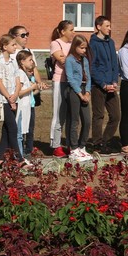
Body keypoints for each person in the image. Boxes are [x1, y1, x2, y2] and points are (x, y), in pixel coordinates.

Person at [88, 16, 122, 153]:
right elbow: (92, 67)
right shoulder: (93, 44)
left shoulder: (110, 42)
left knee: (116, 115)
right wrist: (102, 84)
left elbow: (114, 64)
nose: (109, 28)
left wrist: (114, 81)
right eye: (107, 26)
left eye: (109, 25)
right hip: (98, 86)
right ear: (98, 27)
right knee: (99, 115)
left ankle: (105, 141)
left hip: (111, 85)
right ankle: (96, 144)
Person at [0, 34, 23, 161]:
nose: (15, 47)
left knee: (6, 129)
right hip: (4, 100)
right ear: (5, 46)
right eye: (13, 45)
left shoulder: (13, 61)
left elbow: (17, 80)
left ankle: (1, 158)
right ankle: (19, 158)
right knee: (13, 128)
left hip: (14, 98)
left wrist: (15, 95)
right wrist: (9, 98)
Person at [64, 35, 94, 162]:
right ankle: (74, 148)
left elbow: (88, 77)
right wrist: (80, 94)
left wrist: (87, 92)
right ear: (75, 47)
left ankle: (82, 146)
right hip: (74, 90)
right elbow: (70, 78)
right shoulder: (69, 60)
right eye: (81, 48)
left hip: (84, 89)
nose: (84, 50)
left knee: (87, 120)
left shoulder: (84, 60)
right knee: (74, 120)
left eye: (85, 48)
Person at [48, 20, 76, 156]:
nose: (73, 32)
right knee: (59, 114)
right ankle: (56, 145)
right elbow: (62, 60)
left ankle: (71, 144)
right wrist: (75, 60)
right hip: (60, 81)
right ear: (63, 31)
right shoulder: (56, 43)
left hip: (72, 82)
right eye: (71, 30)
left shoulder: (73, 44)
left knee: (71, 115)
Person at [15, 49, 42, 160]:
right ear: (22, 61)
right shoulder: (20, 74)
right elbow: (19, 92)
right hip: (21, 108)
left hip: (26, 107)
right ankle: (20, 156)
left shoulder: (24, 74)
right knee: (19, 134)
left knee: (23, 132)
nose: (32, 62)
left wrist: (35, 87)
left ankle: (21, 155)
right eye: (30, 60)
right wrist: (32, 87)